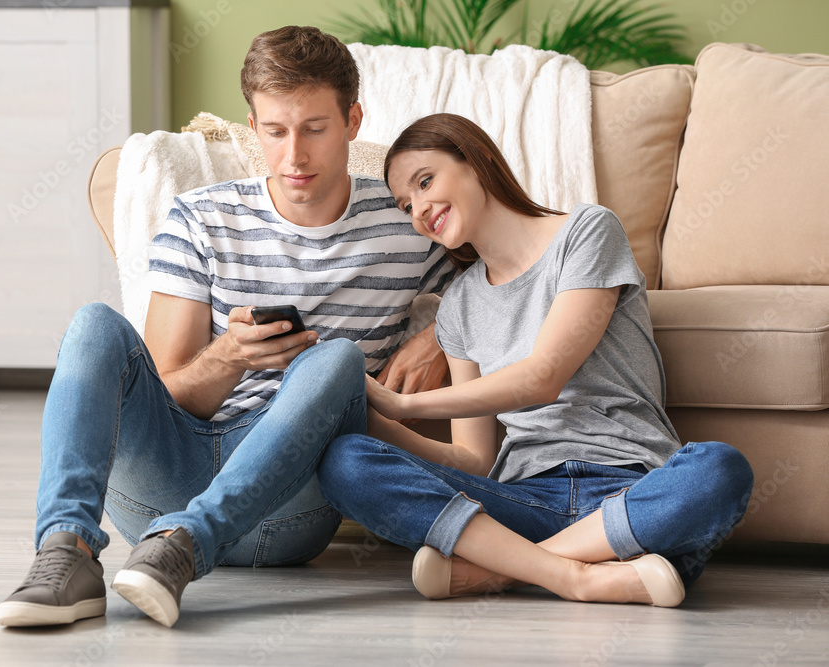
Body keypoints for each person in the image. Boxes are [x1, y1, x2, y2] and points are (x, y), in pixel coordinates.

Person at [0, 27, 455, 628]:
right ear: (254, 125)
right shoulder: (201, 217)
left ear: (353, 120)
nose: (296, 155)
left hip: (290, 505)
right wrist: (230, 357)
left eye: (315, 129)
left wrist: (440, 336)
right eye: (275, 131)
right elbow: (164, 394)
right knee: (93, 325)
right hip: (165, 488)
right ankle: (67, 553)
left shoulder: (405, 220)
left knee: (335, 359)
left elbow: (504, 273)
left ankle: (191, 541)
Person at [317, 113, 754, 607]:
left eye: (425, 181)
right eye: (406, 204)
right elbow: (473, 460)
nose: (419, 209)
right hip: (524, 499)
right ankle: (583, 573)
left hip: (632, 488)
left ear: (477, 161)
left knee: (720, 470)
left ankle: (503, 571)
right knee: (345, 461)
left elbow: (544, 377)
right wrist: (373, 420)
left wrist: (399, 404)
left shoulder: (586, 232)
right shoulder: (458, 306)